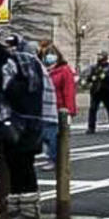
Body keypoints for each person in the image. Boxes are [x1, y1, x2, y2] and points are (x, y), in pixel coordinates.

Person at [0, 34, 58, 219]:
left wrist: (7, 85)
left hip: (25, 121)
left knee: (23, 165)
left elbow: (23, 92)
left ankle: (27, 208)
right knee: (15, 164)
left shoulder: (25, 63)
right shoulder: (23, 63)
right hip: (20, 120)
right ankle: (18, 207)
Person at [39, 44, 77, 172]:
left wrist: (69, 110)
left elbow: (68, 91)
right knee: (47, 135)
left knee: (53, 135)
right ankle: (56, 157)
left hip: (59, 108)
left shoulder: (64, 70)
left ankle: (54, 159)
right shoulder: (44, 70)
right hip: (45, 107)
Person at [85, 51, 109, 134]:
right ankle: (91, 127)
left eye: (101, 57)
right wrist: (92, 78)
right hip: (96, 90)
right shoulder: (94, 67)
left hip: (106, 90)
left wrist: (106, 76)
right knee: (93, 109)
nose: (99, 58)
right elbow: (89, 78)